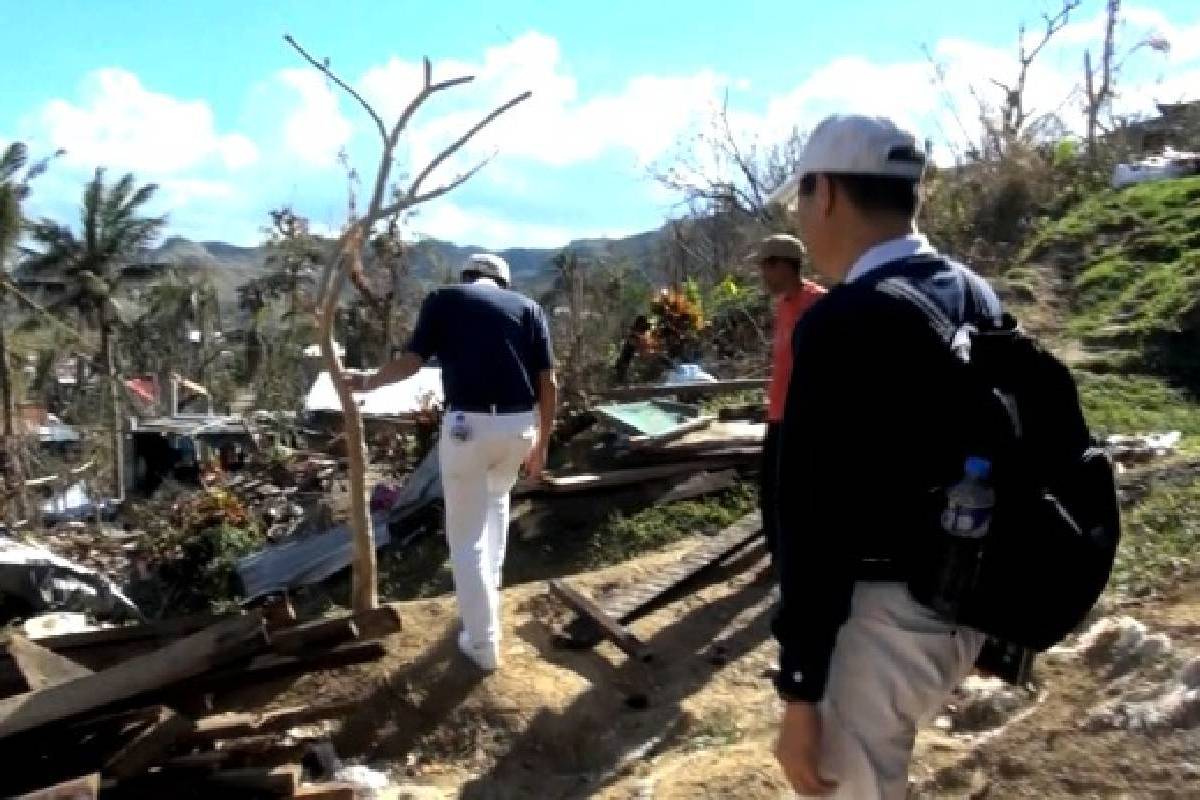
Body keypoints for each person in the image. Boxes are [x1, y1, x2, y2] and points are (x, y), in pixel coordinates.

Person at [768, 114, 1002, 798]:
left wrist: (801, 688)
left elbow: (811, 515)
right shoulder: (972, 292)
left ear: (829, 194)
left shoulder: (844, 320)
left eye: (801, 199)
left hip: (881, 622)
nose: (803, 218)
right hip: (962, 602)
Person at [350, 252, 557, 672]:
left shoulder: (445, 298)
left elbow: (411, 363)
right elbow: (548, 382)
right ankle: (487, 602)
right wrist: (542, 445)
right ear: (502, 281)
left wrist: (367, 382)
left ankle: (482, 644)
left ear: (467, 276)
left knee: (465, 540)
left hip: (469, 427)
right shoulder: (529, 308)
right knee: (497, 506)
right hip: (520, 428)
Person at [752, 234, 825, 569]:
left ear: (784, 265)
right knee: (770, 492)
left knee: (795, 496)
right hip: (778, 414)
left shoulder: (819, 303)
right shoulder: (782, 307)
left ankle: (795, 563)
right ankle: (778, 560)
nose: (763, 275)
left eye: (767, 267)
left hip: (806, 418)